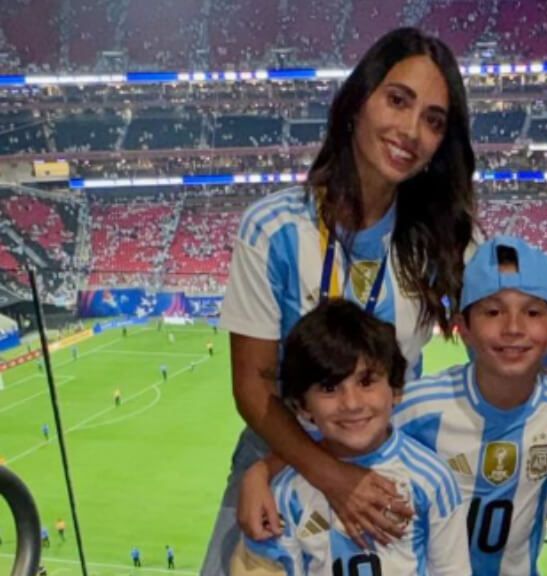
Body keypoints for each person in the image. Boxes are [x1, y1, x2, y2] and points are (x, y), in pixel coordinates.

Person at [200, 27, 480, 576]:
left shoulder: (443, 241)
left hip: (385, 465)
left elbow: (517, 328)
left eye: (433, 120)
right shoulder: (274, 228)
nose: (411, 131)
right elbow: (252, 383)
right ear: (357, 103)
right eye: (398, 101)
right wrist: (327, 476)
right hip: (274, 467)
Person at [240, 237, 547, 576]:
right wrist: (262, 471)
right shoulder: (420, 404)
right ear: (462, 328)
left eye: (532, 312)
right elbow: (336, 434)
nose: (513, 328)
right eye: (493, 311)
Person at [233, 299, 469, 575]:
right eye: (330, 388)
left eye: (366, 382)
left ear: (395, 389)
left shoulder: (432, 479)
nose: (352, 404)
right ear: (302, 406)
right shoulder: (285, 493)